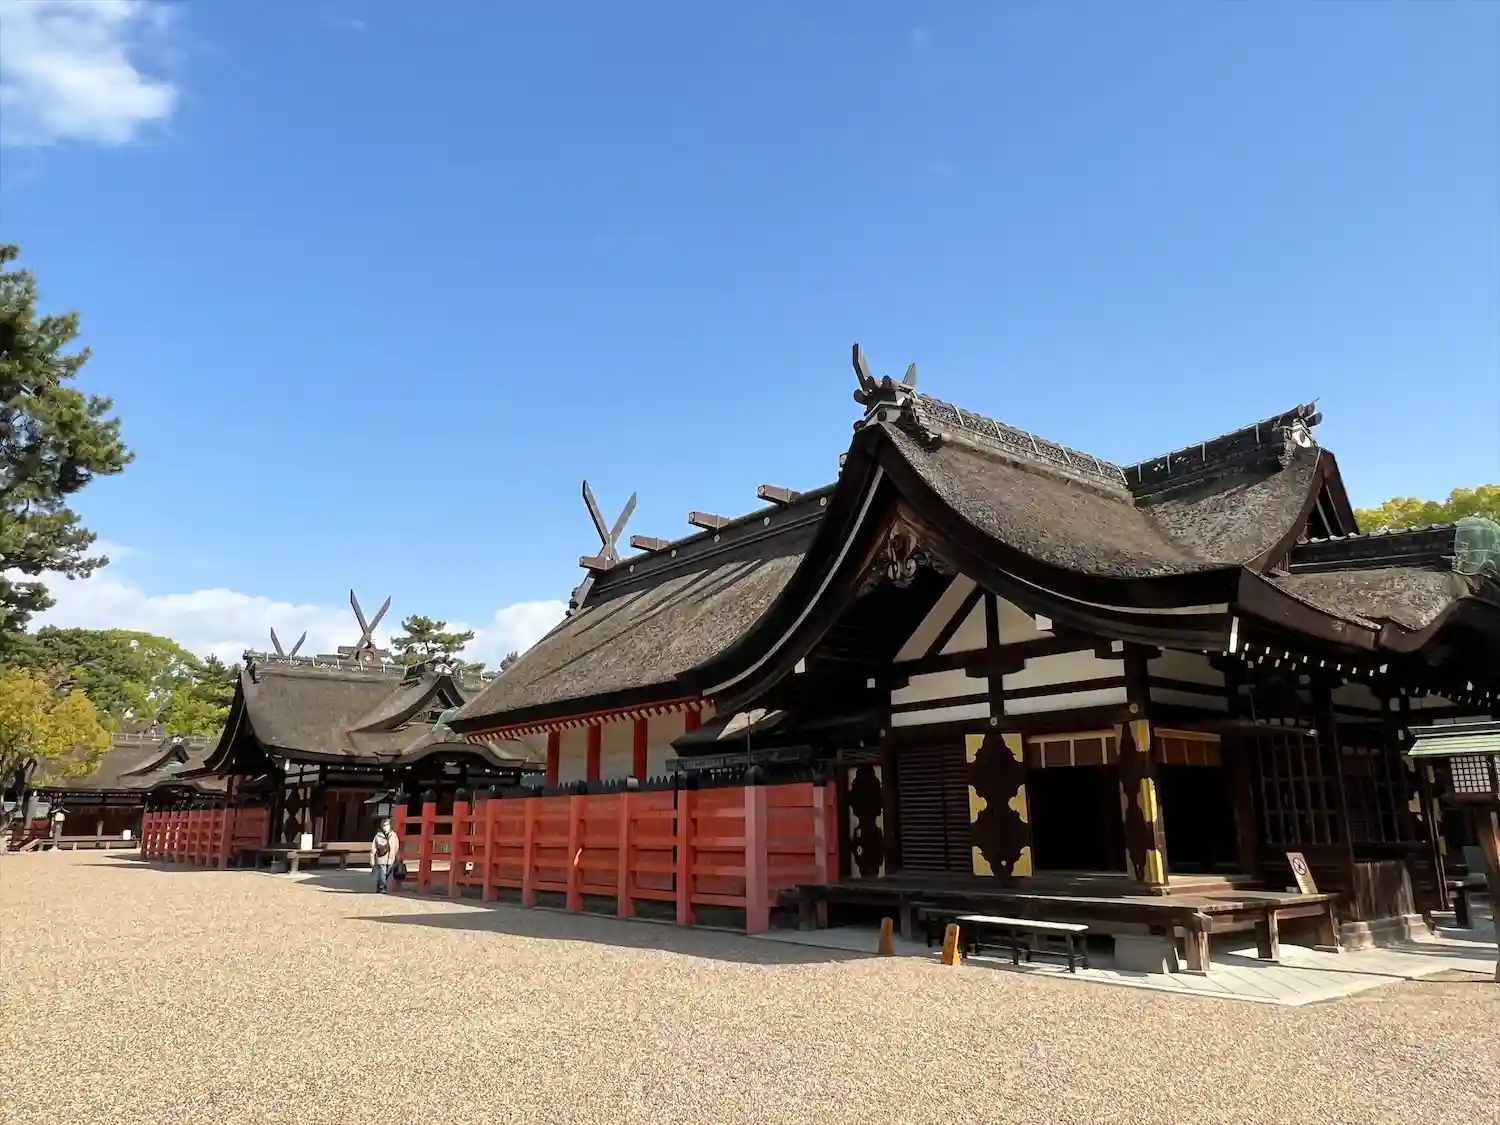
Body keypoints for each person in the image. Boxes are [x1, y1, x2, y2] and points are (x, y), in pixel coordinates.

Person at [370, 817, 400, 893]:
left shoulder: (393, 835)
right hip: (382, 858)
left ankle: (380, 886)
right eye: (384, 825)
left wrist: (397, 856)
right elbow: (373, 849)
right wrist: (372, 860)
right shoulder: (378, 836)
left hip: (391, 858)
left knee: (388, 874)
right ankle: (382, 888)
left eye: (387, 825)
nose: (385, 827)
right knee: (382, 874)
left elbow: (396, 847)